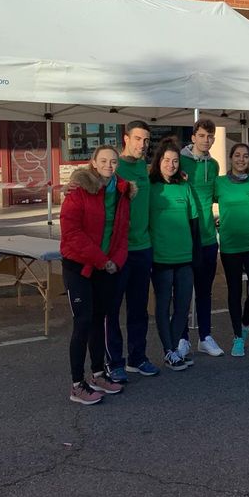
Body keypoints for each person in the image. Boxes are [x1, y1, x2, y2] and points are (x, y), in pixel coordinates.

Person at [59, 145, 134, 405]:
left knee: (99, 320)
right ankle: (77, 384)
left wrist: (116, 261)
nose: (109, 165)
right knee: (83, 322)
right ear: (93, 162)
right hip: (80, 266)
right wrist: (103, 261)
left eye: (113, 161)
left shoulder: (122, 191)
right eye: (103, 161)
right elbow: (72, 234)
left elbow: (123, 232)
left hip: (106, 267)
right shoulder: (78, 190)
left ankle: (98, 373)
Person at [106, 121, 158, 382]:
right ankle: (114, 362)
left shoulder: (145, 168)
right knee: (112, 309)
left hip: (143, 248)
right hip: (118, 251)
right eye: (138, 139)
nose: (142, 145)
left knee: (139, 309)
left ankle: (138, 358)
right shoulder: (114, 167)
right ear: (126, 138)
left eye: (146, 140)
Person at [148, 139, 201, 371]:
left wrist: (196, 254)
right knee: (163, 306)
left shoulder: (185, 187)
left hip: (185, 258)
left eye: (175, 161)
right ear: (159, 161)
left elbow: (194, 223)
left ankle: (173, 349)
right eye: (167, 160)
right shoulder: (150, 188)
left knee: (182, 306)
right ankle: (169, 350)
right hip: (160, 259)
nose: (171, 164)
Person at [214, 143, 249, 357]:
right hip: (230, 246)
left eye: (245, 156)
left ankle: (244, 323)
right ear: (231, 158)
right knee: (234, 291)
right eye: (237, 155)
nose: (241, 159)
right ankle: (237, 337)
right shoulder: (220, 183)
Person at [179, 118, 224, 358]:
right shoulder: (179, 161)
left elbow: (216, 195)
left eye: (210, 136)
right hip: (185, 236)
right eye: (203, 135)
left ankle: (205, 336)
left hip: (207, 236)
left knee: (205, 291)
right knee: (185, 291)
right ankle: (182, 338)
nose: (207, 140)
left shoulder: (215, 165)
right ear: (193, 136)